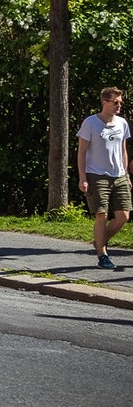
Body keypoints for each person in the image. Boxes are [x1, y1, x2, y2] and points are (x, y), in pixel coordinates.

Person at [77, 86, 129, 271]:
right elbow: (82, 151)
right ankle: (103, 255)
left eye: (120, 103)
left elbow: (123, 150)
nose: (119, 106)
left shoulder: (122, 123)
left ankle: (99, 241)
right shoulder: (90, 123)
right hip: (96, 174)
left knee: (123, 216)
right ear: (105, 102)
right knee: (102, 215)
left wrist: (126, 174)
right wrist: (82, 177)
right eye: (116, 102)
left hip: (119, 175)